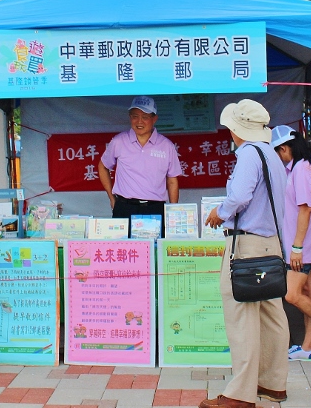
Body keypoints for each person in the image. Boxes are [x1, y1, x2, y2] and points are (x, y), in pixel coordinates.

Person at [202, 100, 289, 408]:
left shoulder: (249, 154)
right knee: (271, 314)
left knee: (242, 316)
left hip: (247, 244)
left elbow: (239, 196)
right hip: (271, 243)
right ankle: (273, 383)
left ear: (237, 129)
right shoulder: (272, 155)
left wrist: (219, 212)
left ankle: (240, 394)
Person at [270, 125, 311, 362]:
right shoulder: (304, 165)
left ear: (285, 148)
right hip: (304, 244)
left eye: (278, 153)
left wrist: (297, 247)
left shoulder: (301, 169)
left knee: (291, 295)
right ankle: (309, 346)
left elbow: (305, 208)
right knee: (309, 293)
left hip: (303, 246)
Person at [98, 96, 182, 236]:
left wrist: (172, 212)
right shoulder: (119, 141)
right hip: (125, 207)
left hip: (155, 209)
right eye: (135, 116)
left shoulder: (166, 146)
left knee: (154, 253)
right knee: (123, 253)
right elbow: (103, 166)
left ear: (154, 119)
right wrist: (112, 198)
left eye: (145, 117)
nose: (139, 121)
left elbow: (172, 180)